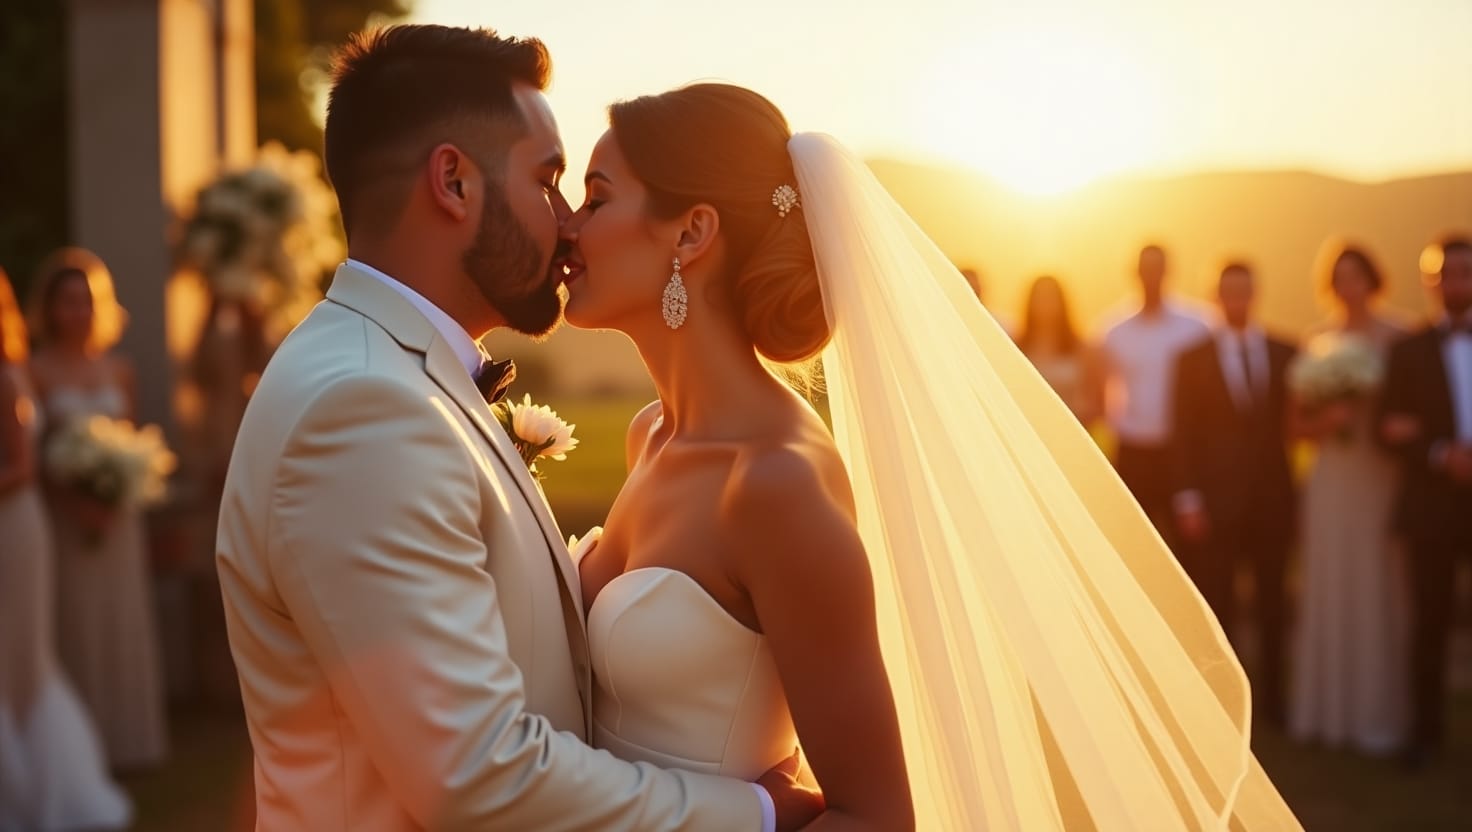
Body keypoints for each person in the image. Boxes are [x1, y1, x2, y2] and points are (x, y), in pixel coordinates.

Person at [559, 82, 1299, 829]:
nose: (567, 227)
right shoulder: (651, 435)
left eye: (595, 199)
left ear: (691, 234)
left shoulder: (770, 484)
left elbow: (875, 818)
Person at [215, 26, 819, 831]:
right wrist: (754, 812)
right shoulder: (361, 407)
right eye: (550, 181)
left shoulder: (391, 378)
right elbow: (477, 773)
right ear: (454, 182)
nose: (567, 222)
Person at [27, 247, 169, 769]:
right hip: (64, 522)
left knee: (120, 622)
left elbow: (133, 443)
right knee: (74, 623)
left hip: (118, 523)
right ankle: (77, 756)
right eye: (67, 302)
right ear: (49, 307)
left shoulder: (120, 369)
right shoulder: (34, 371)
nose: (78, 312)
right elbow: (33, 452)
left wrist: (118, 494)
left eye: (87, 302)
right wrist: (75, 499)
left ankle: (127, 741)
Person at [0, 268, 131, 829]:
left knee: (23, 657)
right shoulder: (29, 370)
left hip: (19, 522)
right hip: (38, 519)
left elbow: (21, 465)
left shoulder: (8, 378)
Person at [1289, 241, 1408, 754]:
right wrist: (1327, 420)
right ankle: (1329, 712)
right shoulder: (1315, 340)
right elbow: (1295, 427)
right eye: (1339, 275)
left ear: (1372, 278)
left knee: (1379, 583)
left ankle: (1378, 713)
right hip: (1332, 477)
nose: (1348, 283)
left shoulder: (1400, 336)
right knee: (1332, 581)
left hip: (1379, 475)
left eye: (1357, 273)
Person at [1169, 261, 1297, 727]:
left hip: (1272, 500)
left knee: (1273, 605)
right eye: (1229, 292)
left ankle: (1276, 706)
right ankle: (1220, 708)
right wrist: (1187, 500)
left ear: (1255, 293)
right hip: (1214, 503)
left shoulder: (1287, 351)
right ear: (1216, 297)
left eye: (1245, 290)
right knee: (1217, 607)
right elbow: (1181, 434)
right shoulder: (1191, 358)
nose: (1238, 299)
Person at [1378, 234, 1472, 770]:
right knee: (1428, 624)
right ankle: (1425, 734)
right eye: (1446, 273)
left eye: (1465, 271)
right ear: (1429, 281)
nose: (1456, 282)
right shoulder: (1406, 351)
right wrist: (1438, 453)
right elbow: (1388, 429)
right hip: (1431, 509)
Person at [1094, 245, 1210, 543]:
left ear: (1168, 272)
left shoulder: (1196, 326)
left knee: (1185, 545)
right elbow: (1102, 389)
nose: (1152, 277)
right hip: (1133, 451)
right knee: (1133, 541)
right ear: (1135, 273)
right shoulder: (1113, 330)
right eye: (1146, 269)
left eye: (1158, 269)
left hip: (1182, 451)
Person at [1015, 275, 1098, 424]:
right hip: (1027, 429)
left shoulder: (1081, 348)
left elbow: (1093, 399)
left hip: (1069, 430)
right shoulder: (1017, 346)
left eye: (1051, 297)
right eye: (1040, 297)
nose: (1045, 304)